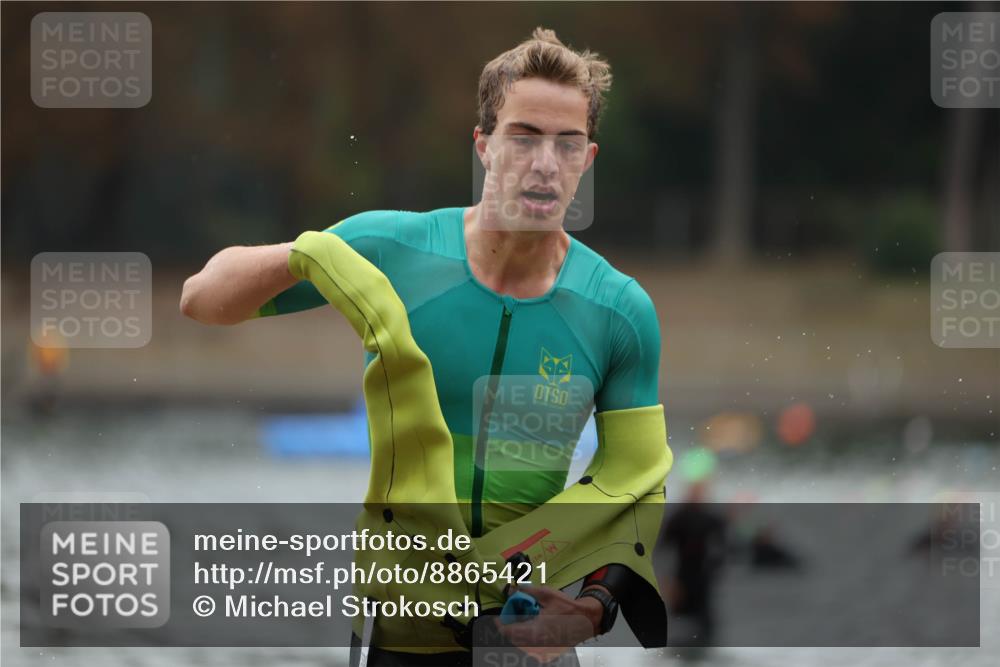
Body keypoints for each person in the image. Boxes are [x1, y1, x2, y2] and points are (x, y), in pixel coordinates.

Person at [181, 27, 667, 666]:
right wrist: (311, 253)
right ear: (484, 146)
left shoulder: (618, 311)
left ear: (587, 160)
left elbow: (637, 486)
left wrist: (592, 608)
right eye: (523, 137)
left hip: (521, 637)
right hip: (397, 632)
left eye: (566, 144)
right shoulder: (395, 251)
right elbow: (202, 299)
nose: (545, 163)